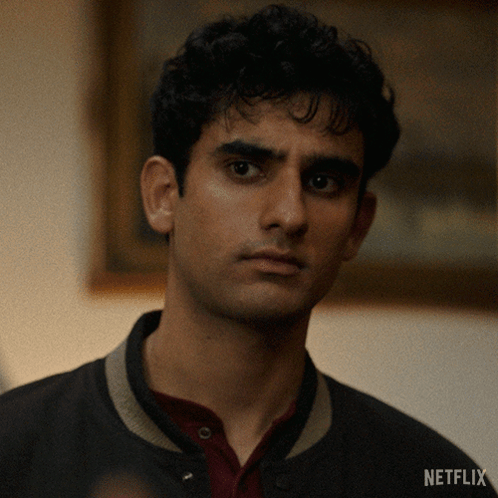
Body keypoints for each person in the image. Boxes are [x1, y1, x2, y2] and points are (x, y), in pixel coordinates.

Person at [0, 5, 495, 497]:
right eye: (244, 169)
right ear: (163, 196)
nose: (290, 214)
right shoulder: (15, 448)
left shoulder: (435, 479)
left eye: (323, 181)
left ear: (357, 226)